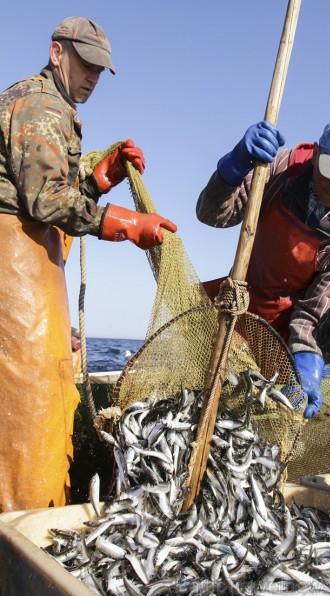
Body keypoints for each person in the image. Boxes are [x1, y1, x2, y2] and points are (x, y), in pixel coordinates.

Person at [0, 16, 177, 512]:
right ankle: (20, 535)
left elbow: (46, 193)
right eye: (86, 64)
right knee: (27, 413)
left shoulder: (54, 107)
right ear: (58, 54)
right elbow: (43, 202)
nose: (94, 77)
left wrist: (99, 180)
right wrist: (123, 223)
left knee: (51, 396)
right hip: (12, 273)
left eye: (101, 69)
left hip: (32, 269)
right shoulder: (37, 104)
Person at [197, 117, 330, 505]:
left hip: (306, 308)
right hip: (249, 295)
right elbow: (212, 214)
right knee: (201, 358)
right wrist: (233, 167)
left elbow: (316, 304)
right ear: (316, 156)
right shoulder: (281, 170)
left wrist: (307, 357)